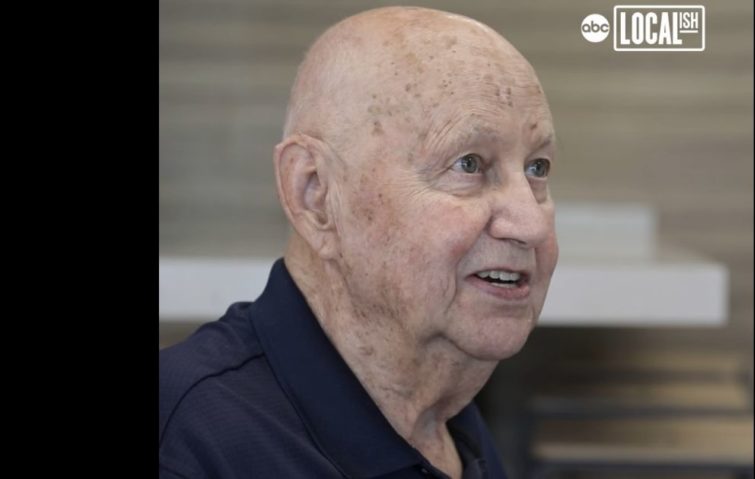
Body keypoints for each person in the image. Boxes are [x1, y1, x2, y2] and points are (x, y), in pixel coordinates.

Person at [159, 6, 558, 478]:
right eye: (469, 165)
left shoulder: (451, 428)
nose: (530, 224)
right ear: (315, 195)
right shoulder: (190, 440)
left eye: (537, 169)